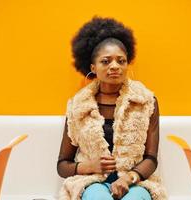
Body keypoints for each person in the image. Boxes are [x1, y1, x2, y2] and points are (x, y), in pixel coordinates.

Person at [57, 17, 166, 200]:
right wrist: (89, 166)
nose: (114, 66)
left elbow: (151, 158)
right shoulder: (78, 106)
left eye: (121, 61)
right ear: (93, 67)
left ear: (127, 64)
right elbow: (62, 165)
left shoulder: (146, 101)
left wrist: (129, 178)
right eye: (106, 61)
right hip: (91, 181)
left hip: (136, 181)